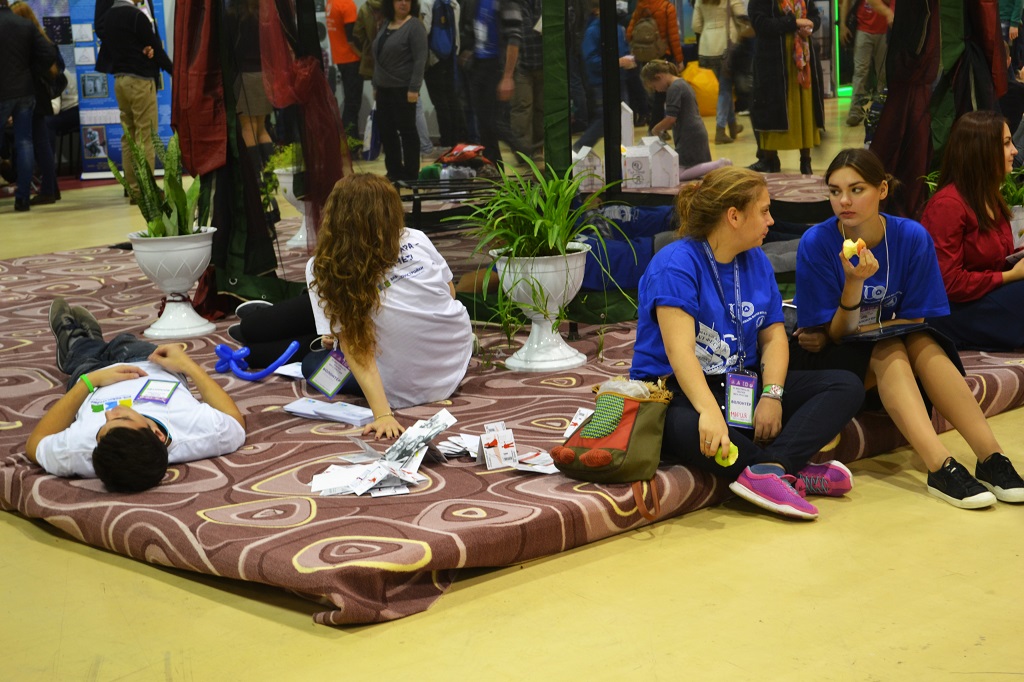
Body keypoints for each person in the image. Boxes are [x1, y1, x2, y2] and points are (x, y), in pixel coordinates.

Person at [791, 148, 1024, 509]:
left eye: (856, 189)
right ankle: (940, 465)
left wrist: (871, 323)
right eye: (835, 191)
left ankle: (991, 457)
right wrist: (854, 284)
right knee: (891, 345)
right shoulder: (818, 242)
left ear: (882, 190)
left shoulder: (910, 236)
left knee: (919, 341)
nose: (844, 201)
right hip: (838, 362)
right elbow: (834, 335)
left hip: (891, 346)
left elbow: (917, 319)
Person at [629, 167, 865, 520]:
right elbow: (680, 353)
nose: (772, 220)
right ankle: (787, 473)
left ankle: (773, 468)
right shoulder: (676, 264)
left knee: (845, 385)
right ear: (734, 216)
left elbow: (773, 336)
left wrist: (772, 394)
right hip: (675, 392)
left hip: (737, 384)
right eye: (765, 210)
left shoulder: (755, 259)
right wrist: (709, 412)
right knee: (691, 428)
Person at [230, 174, 474, 438]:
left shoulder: (325, 267)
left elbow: (356, 349)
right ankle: (255, 340)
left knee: (312, 362)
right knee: (328, 330)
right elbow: (449, 292)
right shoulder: (416, 238)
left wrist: (383, 415)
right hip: (454, 359)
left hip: (402, 382)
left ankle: (251, 336)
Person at [26, 299, 247, 493]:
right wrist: (188, 365)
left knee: (83, 354)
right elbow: (234, 419)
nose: (110, 414)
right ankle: (93, 341)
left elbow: (35, 443)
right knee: (125, 341)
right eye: (123, 418)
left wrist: (89, 382)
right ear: (158, 434)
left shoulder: (82, 450)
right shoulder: (198, 434)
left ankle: (78, 341)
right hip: (150, 362)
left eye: (101, 429)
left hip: (92, 378)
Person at [920, 111, 1024, 351]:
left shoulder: (988, 196)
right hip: (951, 311)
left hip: (981, 298)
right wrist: (1011, 275)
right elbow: (948, 283)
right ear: (981, 150)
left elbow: (992, 260)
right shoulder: (948, 205)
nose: (1014, 151)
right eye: (1006, 143)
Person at [96, 0, 173, 199]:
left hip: (120, 81)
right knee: (145, 136)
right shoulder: (137, 16)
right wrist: (175, 71)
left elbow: (128, 45)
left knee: (128, 136)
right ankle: (147, 191)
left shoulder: (109, 17)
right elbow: (155, 47)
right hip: (140, 82)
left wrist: (144, 49)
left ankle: (134, 190)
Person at [747, 0, 824, 175]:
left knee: (804, 111)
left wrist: (810, 25)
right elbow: (760, 23)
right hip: (772, 62)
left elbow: (814, 16)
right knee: (771, 110)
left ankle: (806, 162)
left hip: (802, 61)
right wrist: (794, 23)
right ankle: (770, 160)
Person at [458, 0, 530, 166]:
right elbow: (470, 30)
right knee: (483, 124)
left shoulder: (507, 3)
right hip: (478, 67)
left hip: (497, 67)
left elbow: (514, 39)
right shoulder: (474, 3)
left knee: (495, 122)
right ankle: (494, 170)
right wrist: (467, 53)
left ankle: (525, 153)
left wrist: (507, 76)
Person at [0, 0, 57, 212]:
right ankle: (22, 199)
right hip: (25, 91)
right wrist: (30, 72)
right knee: (25, 143)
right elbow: (49, 53)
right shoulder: (24, 25)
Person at [641, 60, 732, 181]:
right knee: (696, 168)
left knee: (678, 173)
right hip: (694, 132)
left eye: (654, 86)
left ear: (659, 77)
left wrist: (655, 129)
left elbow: (671, 118)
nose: (657, 90)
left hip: (689, 135)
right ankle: (717, 165)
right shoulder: (681, 83)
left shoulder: (674, 88)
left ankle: (719, 164)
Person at [372, 0, 428, 182]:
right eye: (399, 0)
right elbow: (377, 57)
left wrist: (414, 88)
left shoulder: (415, 26)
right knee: (387, 132)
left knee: (407, 132)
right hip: (383, 89)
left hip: (404, 89)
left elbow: (420, 60)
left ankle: (411, 175)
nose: (403, 3)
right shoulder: (386, 23)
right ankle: (394, 172)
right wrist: (375, 84)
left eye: (407, 0)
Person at [572, 0, 636, 153]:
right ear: (596, 10)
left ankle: (622, 153)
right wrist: (617, 62)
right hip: (601, 83)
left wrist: (629, 61)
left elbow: (623, 51)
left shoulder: (618, 28)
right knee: (604, 119)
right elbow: (591, 61)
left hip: (620, 80)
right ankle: (579, 148)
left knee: (623, 118)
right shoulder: (592, 32)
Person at [692, 0, 747, 144]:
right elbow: (742, 18)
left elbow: (696, 26)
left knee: (725, 87)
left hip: (707, 48)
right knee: (725, 89)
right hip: (726, 46)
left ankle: (732, 125)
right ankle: (720, 129)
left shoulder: (700, 1)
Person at [625, 0, 684, 131]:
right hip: (663, 55)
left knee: (653, 91)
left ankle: (656, 126)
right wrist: (679, 59)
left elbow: (629, 34)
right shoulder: (667, 8)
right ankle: (656, 128)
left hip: (645, 56)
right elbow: (673, 37)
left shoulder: (640, 7)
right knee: (661, 94)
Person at [839, 0, 892, 127]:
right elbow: (846, 2)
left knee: (883, 74)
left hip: (884, 29)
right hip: (863, 29)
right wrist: (842, 25)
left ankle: (881, 111)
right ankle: (855, 112)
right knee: (860, 71)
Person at [326, 0, 364, 135]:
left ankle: (349, 138)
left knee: (350, 101)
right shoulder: (347, 5)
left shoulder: (331, 3)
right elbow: (352, 40)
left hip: (340, 57)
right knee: (353, 104)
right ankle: (351, 140)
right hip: (351, 58)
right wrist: (364, 56)